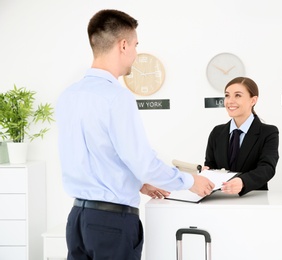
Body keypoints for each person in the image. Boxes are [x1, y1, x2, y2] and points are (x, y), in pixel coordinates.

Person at [56, 9, 214, 260]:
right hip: (112, 224)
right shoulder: (116, 97)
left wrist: (138, 183)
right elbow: (143, 162)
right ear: (123, 45)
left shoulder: (68, 96)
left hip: (77, 221)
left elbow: (94, 157)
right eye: (136, 45)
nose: (136, 54)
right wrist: (190, 181)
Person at [204, 76, 279, 196]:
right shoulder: (217, 132)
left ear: (253, 100)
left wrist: (243, 182)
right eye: (227, 95)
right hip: (220, 199)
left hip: (253, 198)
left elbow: (267, 168)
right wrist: (207, 173)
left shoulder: (268, 132)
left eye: (238, 95)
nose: (230, 101)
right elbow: (211, 164)